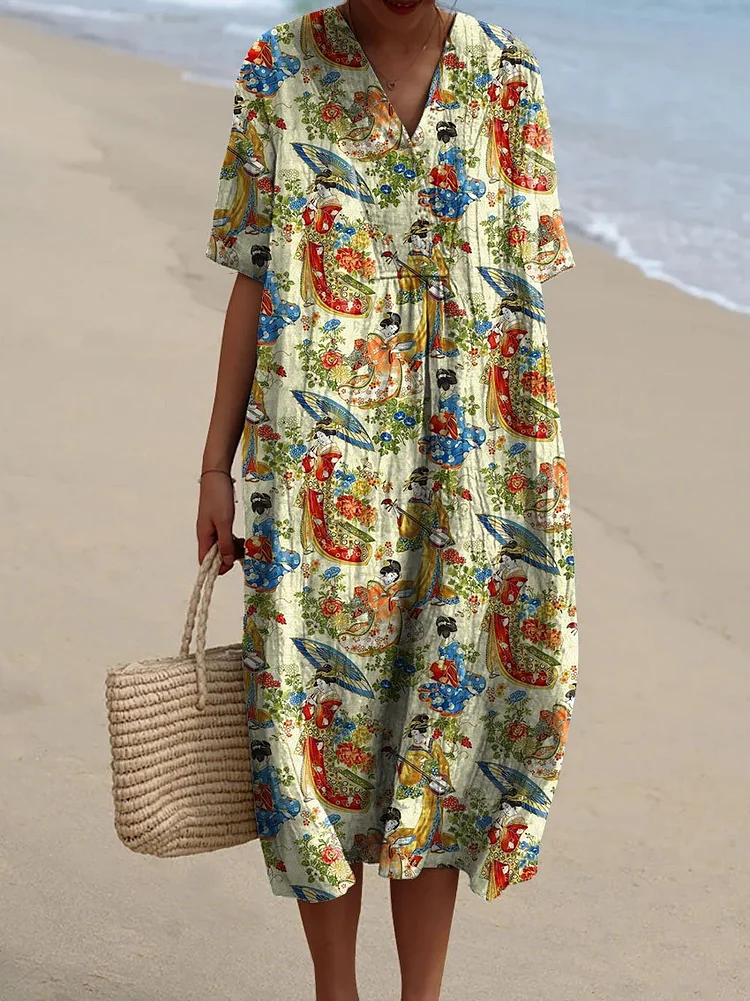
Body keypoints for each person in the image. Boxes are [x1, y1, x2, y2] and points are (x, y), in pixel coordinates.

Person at [197, 3, 579, 1000]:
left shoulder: (508, 81)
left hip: (468, 474)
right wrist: (213, 465)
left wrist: (530, 489)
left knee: (440, 732)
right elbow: (251, 276)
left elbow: (516, 304)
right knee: (314, 728)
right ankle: (336, 990)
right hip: (317, 469)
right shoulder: (277, 70)